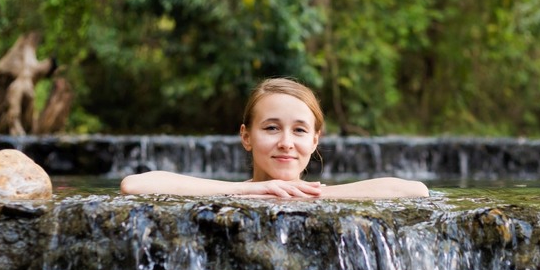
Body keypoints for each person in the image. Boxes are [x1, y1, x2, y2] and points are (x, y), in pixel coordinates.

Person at [120, 78, 429, 199]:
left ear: (315, 140)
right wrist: (254, 190)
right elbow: (134, 185)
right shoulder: (227, 194)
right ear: (246, 136)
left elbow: (416, 190)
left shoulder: (319, 197)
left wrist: (308, 196)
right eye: (271, 128)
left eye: (299, 130)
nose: (286, 142)